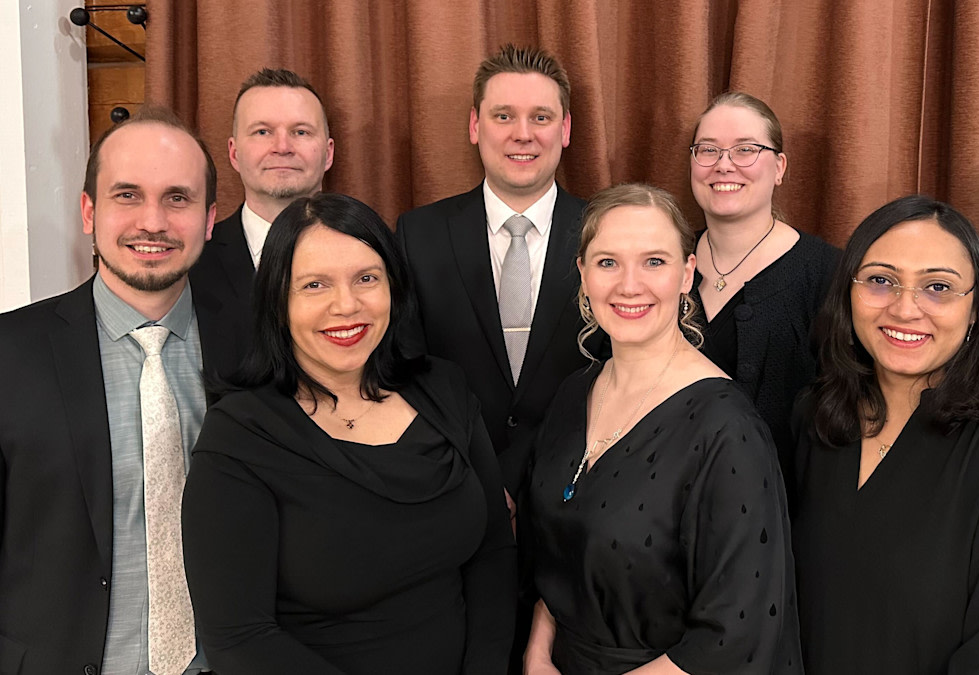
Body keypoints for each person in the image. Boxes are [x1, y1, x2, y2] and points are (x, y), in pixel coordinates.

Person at [180, 193, 515, 673]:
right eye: (315, 285)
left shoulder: (445, 389)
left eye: (366, 278)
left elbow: (493, 554)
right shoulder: (239, 436)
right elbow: (239, 637)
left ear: (394, 289)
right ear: (278, 302)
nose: (346, 305)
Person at [792, 195, 979, 674]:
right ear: (848, 292)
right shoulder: (816, 418)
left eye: (937, 287)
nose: (905, 309)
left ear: (976, 310)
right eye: (881, 281)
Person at [523, 184, 801, 674]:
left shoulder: (728, 429)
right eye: (608, 262)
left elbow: (735, 637)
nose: (630, 285)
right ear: (584, 275)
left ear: (687, 273)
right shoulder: (573, 395)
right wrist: (537, 651)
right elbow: (558, 554)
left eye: (654, 261)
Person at [0, 107, 239, 674]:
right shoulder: (9, 354)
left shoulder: (258, 352)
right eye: (127, 195)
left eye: (177, 199)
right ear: (89, 211)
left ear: (209, 220)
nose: (152, 221)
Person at [394, 44, 591, 500]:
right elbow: (404, 371)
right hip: (456, 490)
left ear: (565, 130)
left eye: (541, 117)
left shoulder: (607, 234)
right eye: (503, 116)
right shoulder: (418, 234)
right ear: (474, 125)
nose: (523, 134)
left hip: (579, 496)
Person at [688, 91, 839, 489]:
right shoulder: (662, 264)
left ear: (779, 167)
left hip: (782, 517)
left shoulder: (828, 275)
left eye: (745, 150)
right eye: (708, 150)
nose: (724, 165)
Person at [190, 67, 335, 331]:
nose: (282, 147)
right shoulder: (191, 263)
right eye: (262, 132)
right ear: (234, 154)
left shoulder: (372, 253)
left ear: (328, 153)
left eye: (301, 132)